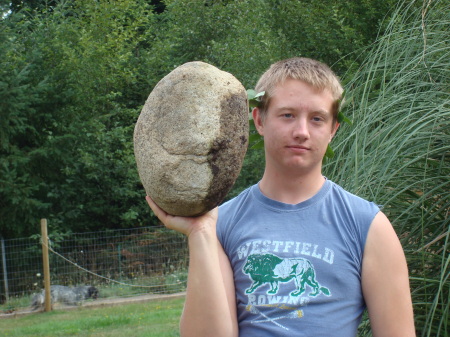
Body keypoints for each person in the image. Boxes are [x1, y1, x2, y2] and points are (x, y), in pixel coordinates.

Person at [146, 57, 415, 336]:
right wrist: (200, 232)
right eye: (287, 115)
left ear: (333, 129)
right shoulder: (219, 224)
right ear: (259, 120)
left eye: (317, 119)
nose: (301, 132)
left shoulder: (367, 225)